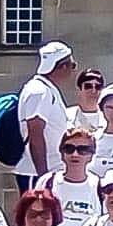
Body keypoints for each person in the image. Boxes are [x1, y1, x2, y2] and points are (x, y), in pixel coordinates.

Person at [17, 40, 77, 188]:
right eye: (73, 65)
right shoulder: (39, 91)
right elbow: (36, 133)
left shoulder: (47, 89)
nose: (73, 70)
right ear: (63, 66)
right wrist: (43, 177)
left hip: (52, 170)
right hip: (36, 173)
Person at [38, 126, 102, 226]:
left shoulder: (99, 186)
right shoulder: (47, 182)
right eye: (69, 149)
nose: (75, 154)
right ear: (62, 153)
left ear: (91, 155)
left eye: (83, 150)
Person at [67, 67, 108, 138]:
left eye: (98, 86)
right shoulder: (66, 116)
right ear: (79, 89)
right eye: (88, 86)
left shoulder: (108, 118)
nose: (93, 91)